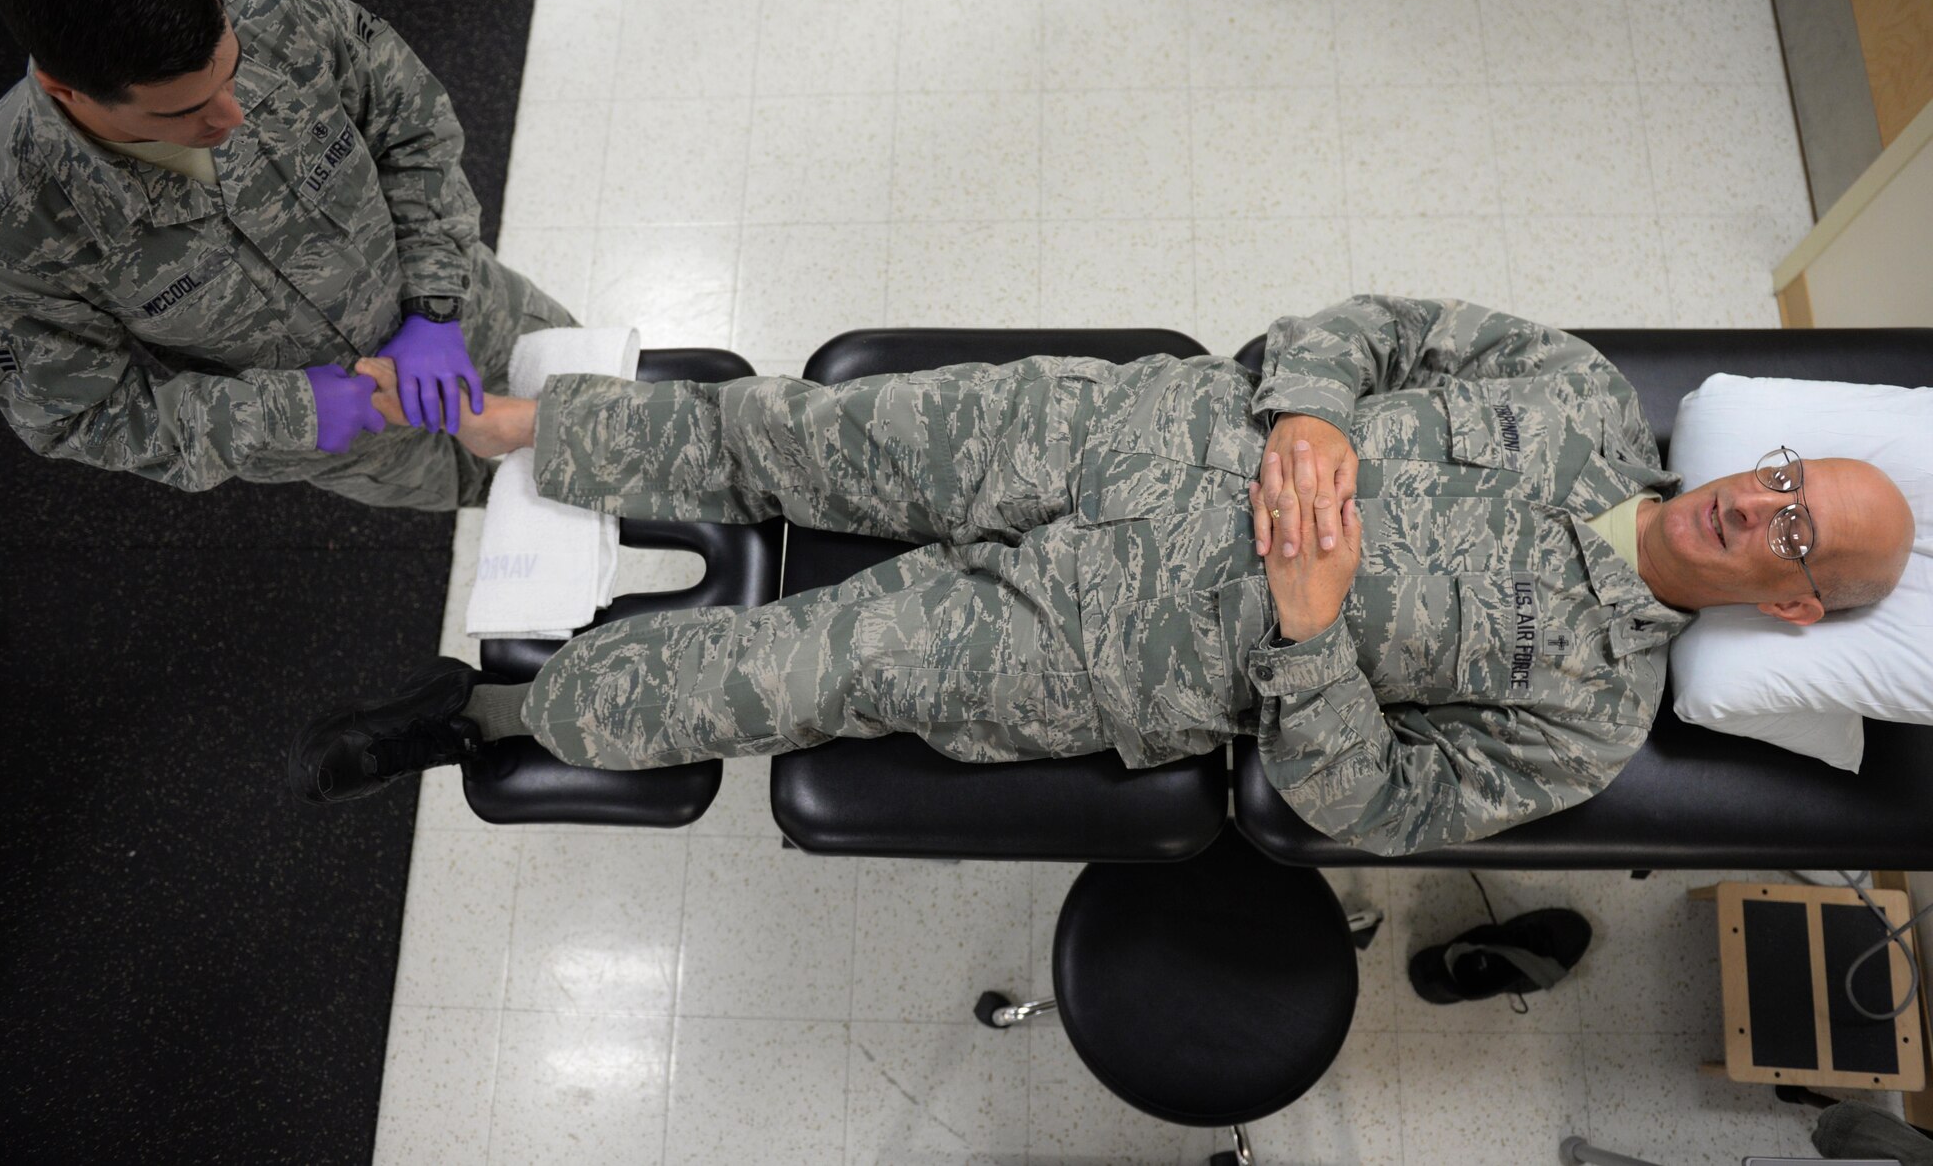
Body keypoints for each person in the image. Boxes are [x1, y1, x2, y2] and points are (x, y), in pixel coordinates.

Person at [289, 298, 1917, 856]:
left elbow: (1365, 805)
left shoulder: (1589, 715)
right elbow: (1357, 325)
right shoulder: (1568, 388)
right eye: (1778, 475)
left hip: (1087, 652)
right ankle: (503, 418)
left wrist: (1311, 630)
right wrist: (1313, 417)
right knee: (782, 433)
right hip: (1099, 433)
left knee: (783, 676)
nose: (1755, 505)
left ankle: (487, 704)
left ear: (1788, 606)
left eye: (1795, 534)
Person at [0, 0, 576, 511]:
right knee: (512, 507)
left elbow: (414, 131)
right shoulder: (12, 228)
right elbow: (76, 415)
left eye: (231, 68)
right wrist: (287, 412)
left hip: (470, 315)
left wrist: (435, 306)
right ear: (67, 92)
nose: (233, 114)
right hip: (347, 438)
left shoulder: (277, 9)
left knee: (605, 405)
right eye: (187, 109)